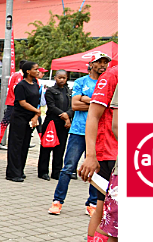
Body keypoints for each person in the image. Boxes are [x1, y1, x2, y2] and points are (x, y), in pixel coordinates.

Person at [47, 52, 111, 216]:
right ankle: (57, 201)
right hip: (78, 131)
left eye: (105, 62)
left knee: (97, 170)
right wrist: (97, 104)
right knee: (68, 167)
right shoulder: (82, 82)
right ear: (91, 64)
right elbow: (75, 105)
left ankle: (91, 203)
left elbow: (107, 108)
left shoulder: (107, 83)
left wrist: (86, 99)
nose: (103, 65)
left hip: (100, 133)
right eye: (99, 62)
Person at [79, 65, 118, 242]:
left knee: (104, 210)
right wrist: (91, 154)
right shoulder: (115, 74)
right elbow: (94, 116)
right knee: (107, 214)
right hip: (109, 154)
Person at [4, 61, 40, 182]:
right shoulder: (21, 85)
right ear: (28, 71)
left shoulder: (35, 84)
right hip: (19, 117)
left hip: (30, 119)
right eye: (35, 69)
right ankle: (12, 173)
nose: (38, 71)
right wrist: (37, 111)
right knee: (16, 145)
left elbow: (37, 101)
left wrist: (35, 115)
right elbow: (22, 102)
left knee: (25, 145)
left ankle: (20, 170)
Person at [38, 70, 72, 182]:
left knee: (60, 148)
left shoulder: (69, 91)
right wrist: (65, 116)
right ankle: (43, 171)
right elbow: (51, 106)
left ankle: (56, 172)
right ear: (55, 77)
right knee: (46, 147)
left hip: (64, 124)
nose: (62, 80)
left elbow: (73, 106)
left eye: (64, 78)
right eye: (59, 77)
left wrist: (68, 115)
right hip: (52, 122)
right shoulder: (50, 91)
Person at [0, 60, 25, 149]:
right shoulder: (18, 76)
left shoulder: (15, 74)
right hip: (13, 103)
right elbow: (16, 88)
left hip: (12, 102)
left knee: (9, 122)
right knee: (5, 122)